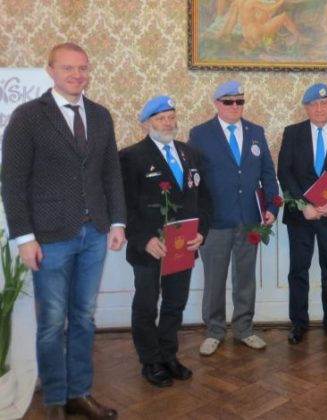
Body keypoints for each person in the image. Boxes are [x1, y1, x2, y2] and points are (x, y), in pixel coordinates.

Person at [1, 42, 125, 419]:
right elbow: (13, 181)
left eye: (82, 68)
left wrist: (117, 222)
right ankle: (55, 399)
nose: (77, 75)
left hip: (95, 233)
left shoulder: (101, 116)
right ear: (51, 71)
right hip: (49, 237)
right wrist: (24, 238)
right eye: (68, 68)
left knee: (84, 318)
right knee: (52, 322)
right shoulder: (28, 116)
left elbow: (110, 173)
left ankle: (79, 394)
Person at [120, 96, 210, 387]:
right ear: (146, 123)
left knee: (175, 302)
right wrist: (142, 239)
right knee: (146, 305)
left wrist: (202, 232)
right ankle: (150, 360)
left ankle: (168, 355)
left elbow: (204, 198)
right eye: (161, 118)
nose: (168, 123)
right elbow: (123, 205)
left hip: (183, 245)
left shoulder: (190, 154)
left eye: (171, 117)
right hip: (150, 248)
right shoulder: (131, 157)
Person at [188, 81, 280, 356]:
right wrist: (195, 218)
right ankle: (214, 330)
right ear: (217, 103)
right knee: (214, 280)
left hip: (249, 219)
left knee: (245, 278)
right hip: (215, 221)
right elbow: (193, 179)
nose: (235, 106)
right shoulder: (200, 134)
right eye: (229, 101)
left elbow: (267, 173)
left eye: (240, 101)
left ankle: (244, 329)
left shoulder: (255, 132)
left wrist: (272, 207)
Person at [277, 83, 327, 345]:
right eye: (313, 104)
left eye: (324, 103)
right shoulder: (293, 133)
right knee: (298, 270)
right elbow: (284, 172)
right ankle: (298, 323)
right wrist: (304, 205)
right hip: (302, 216)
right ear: (306, 108)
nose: (319, 108)